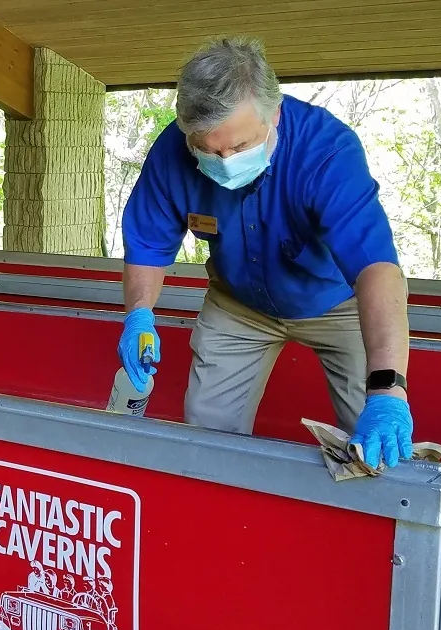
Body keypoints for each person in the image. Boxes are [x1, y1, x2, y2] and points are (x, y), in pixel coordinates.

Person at [118, 37, 413, 469]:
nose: (223, 161)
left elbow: (377, 268)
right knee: (206, 435)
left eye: (238, 148)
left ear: (273, 114)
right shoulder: (170, 153)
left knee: (375, 444)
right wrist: (139, 315)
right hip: (238, 304)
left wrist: (389, 389)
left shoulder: (327, 151)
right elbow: (147, 243)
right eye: (208, 151)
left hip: (336, 303)